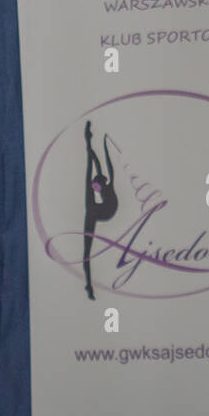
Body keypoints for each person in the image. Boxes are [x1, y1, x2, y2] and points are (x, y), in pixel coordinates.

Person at [82, 120, 119, 300]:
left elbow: (99, 163)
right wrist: (89, 140)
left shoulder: (108, 185)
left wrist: (93, 142)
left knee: (86, 252)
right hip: (99, 211)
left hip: (101, 210)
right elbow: (94, 162)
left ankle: (88, 283)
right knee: (86, 252)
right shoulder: (105, 186)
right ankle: (88, 284)